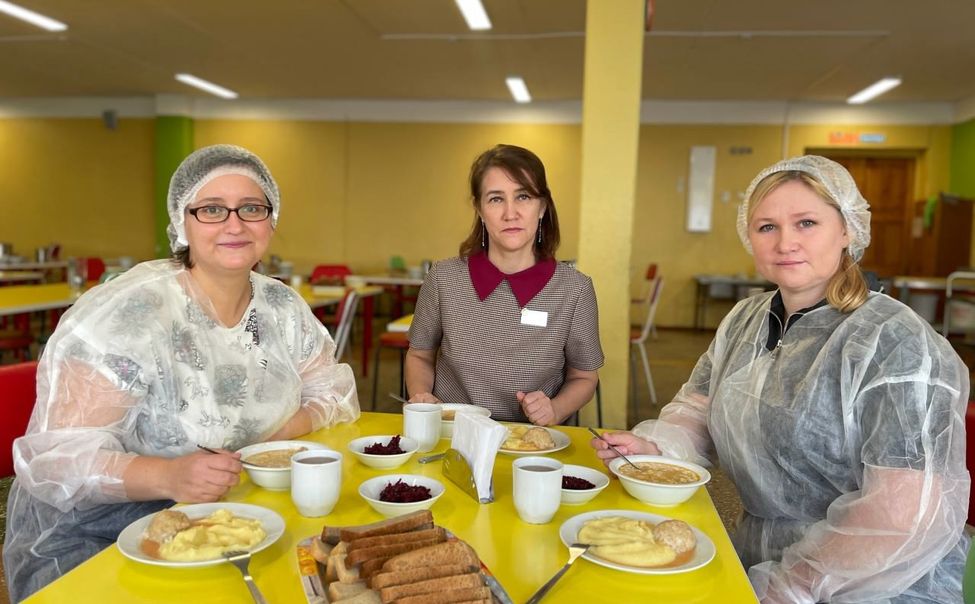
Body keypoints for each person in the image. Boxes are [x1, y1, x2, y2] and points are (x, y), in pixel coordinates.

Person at [591, 155, 970, 603]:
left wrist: (795, 585)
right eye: (766, 227)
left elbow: (903, 515)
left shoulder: (896, 344)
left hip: (871, 582)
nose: (785, 242)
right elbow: (700, 407)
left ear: (847, 229)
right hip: (758, 559)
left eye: (806, 222)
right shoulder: (745, 320)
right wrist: (656, 447)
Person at [3, 144, 360, 601]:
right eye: (212, 209)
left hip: (224, 513)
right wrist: (169, 477)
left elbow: (331, 388)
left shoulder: (279, 306)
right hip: (95, 536)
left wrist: (269, 442)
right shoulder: (130, 313)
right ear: (182, 222)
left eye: (251, 208)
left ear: (271, 220)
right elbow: (57, 461)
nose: (235, 224)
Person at [406, 144, 603, 424]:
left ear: (542, 207)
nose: (511, 213)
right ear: (480, 210)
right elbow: (419, 356)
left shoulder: (575, 290)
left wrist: (556, 409)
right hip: (453, 436)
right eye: (496, 199)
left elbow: (584, 377)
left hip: (534, 445)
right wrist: (422, 396)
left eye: (523, 196)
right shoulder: (443, 278)